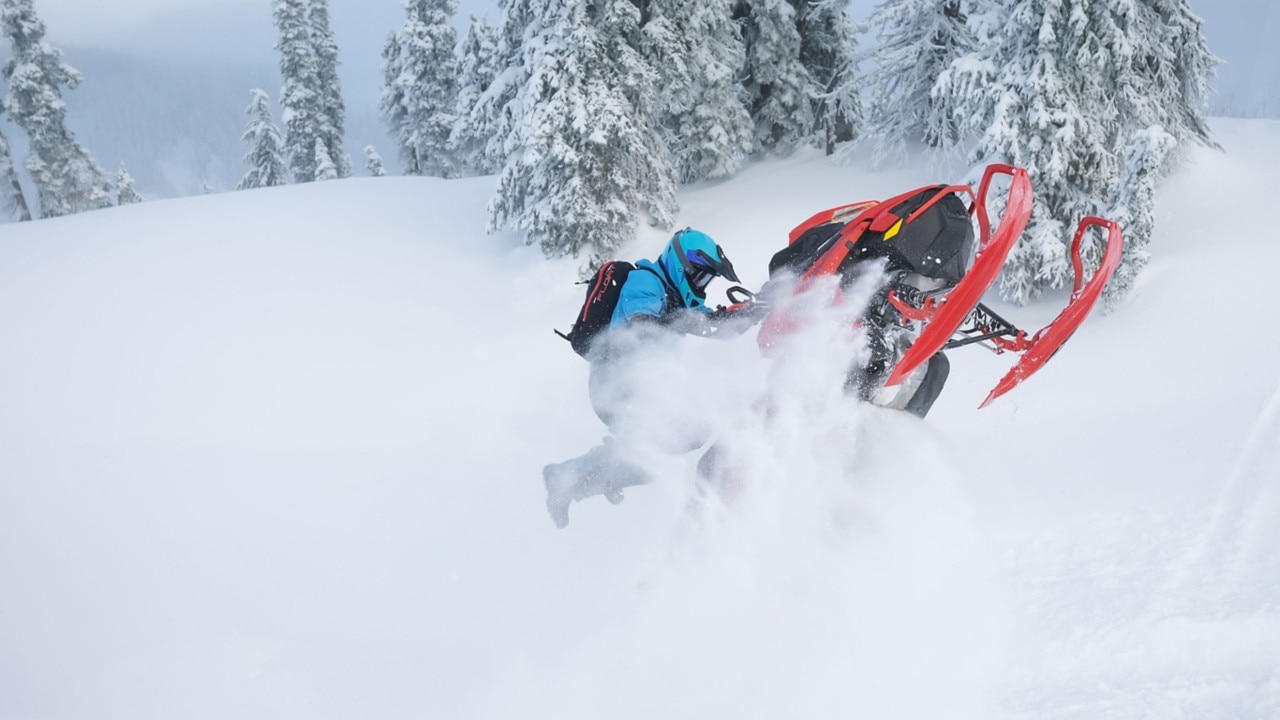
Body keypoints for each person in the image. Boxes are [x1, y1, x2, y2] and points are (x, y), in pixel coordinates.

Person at [543, 228, 762, 528]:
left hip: (638, 392)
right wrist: (693, 321)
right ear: (681, 265)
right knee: (676, 438)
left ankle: (568, 478)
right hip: (617, 388)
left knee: (653, 460)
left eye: (707, 280)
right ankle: (589, 471)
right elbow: (640, 325)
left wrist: (748, 314)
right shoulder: (646, 282)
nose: (702, 286)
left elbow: (709, 325)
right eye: (700, 277)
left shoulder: (675, 299)